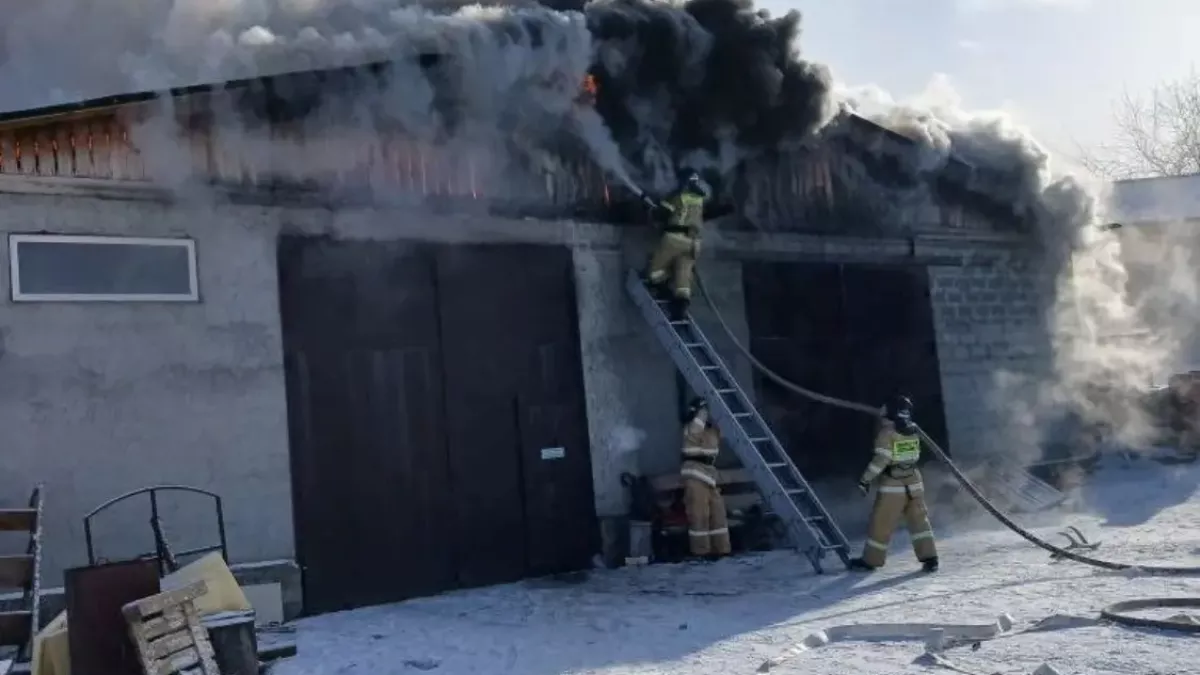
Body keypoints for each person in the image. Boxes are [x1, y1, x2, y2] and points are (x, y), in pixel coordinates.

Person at [848, 394, 939, 573]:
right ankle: (930, 558)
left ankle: (871, 560)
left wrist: (865, 480)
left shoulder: (887, 434)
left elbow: (881, 460)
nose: (881, 411)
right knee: (919, 523)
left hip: (893, 487)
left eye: (884, 408)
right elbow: (914, 457)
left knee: (881, 523)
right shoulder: (913, 431)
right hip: (914, 484)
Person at [643, 171, 710, 319]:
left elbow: (661, 214)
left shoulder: (678, 196)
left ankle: (662, 288)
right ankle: (680, 308)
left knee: (654, 272)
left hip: (674, 239)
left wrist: (653, 208)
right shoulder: (699, 199)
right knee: (684, 276)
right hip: (693, 244)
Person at [679, 396, 731, 560]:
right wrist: (703, 409)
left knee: (718, 515)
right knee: (699, 515)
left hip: (710, 477)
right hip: (695, 476)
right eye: (703, 412)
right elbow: (698, 425)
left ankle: (721, 549)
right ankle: (700, 552)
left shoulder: (712, 431)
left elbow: (727, 429)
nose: (706, 414)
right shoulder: (691, 427)